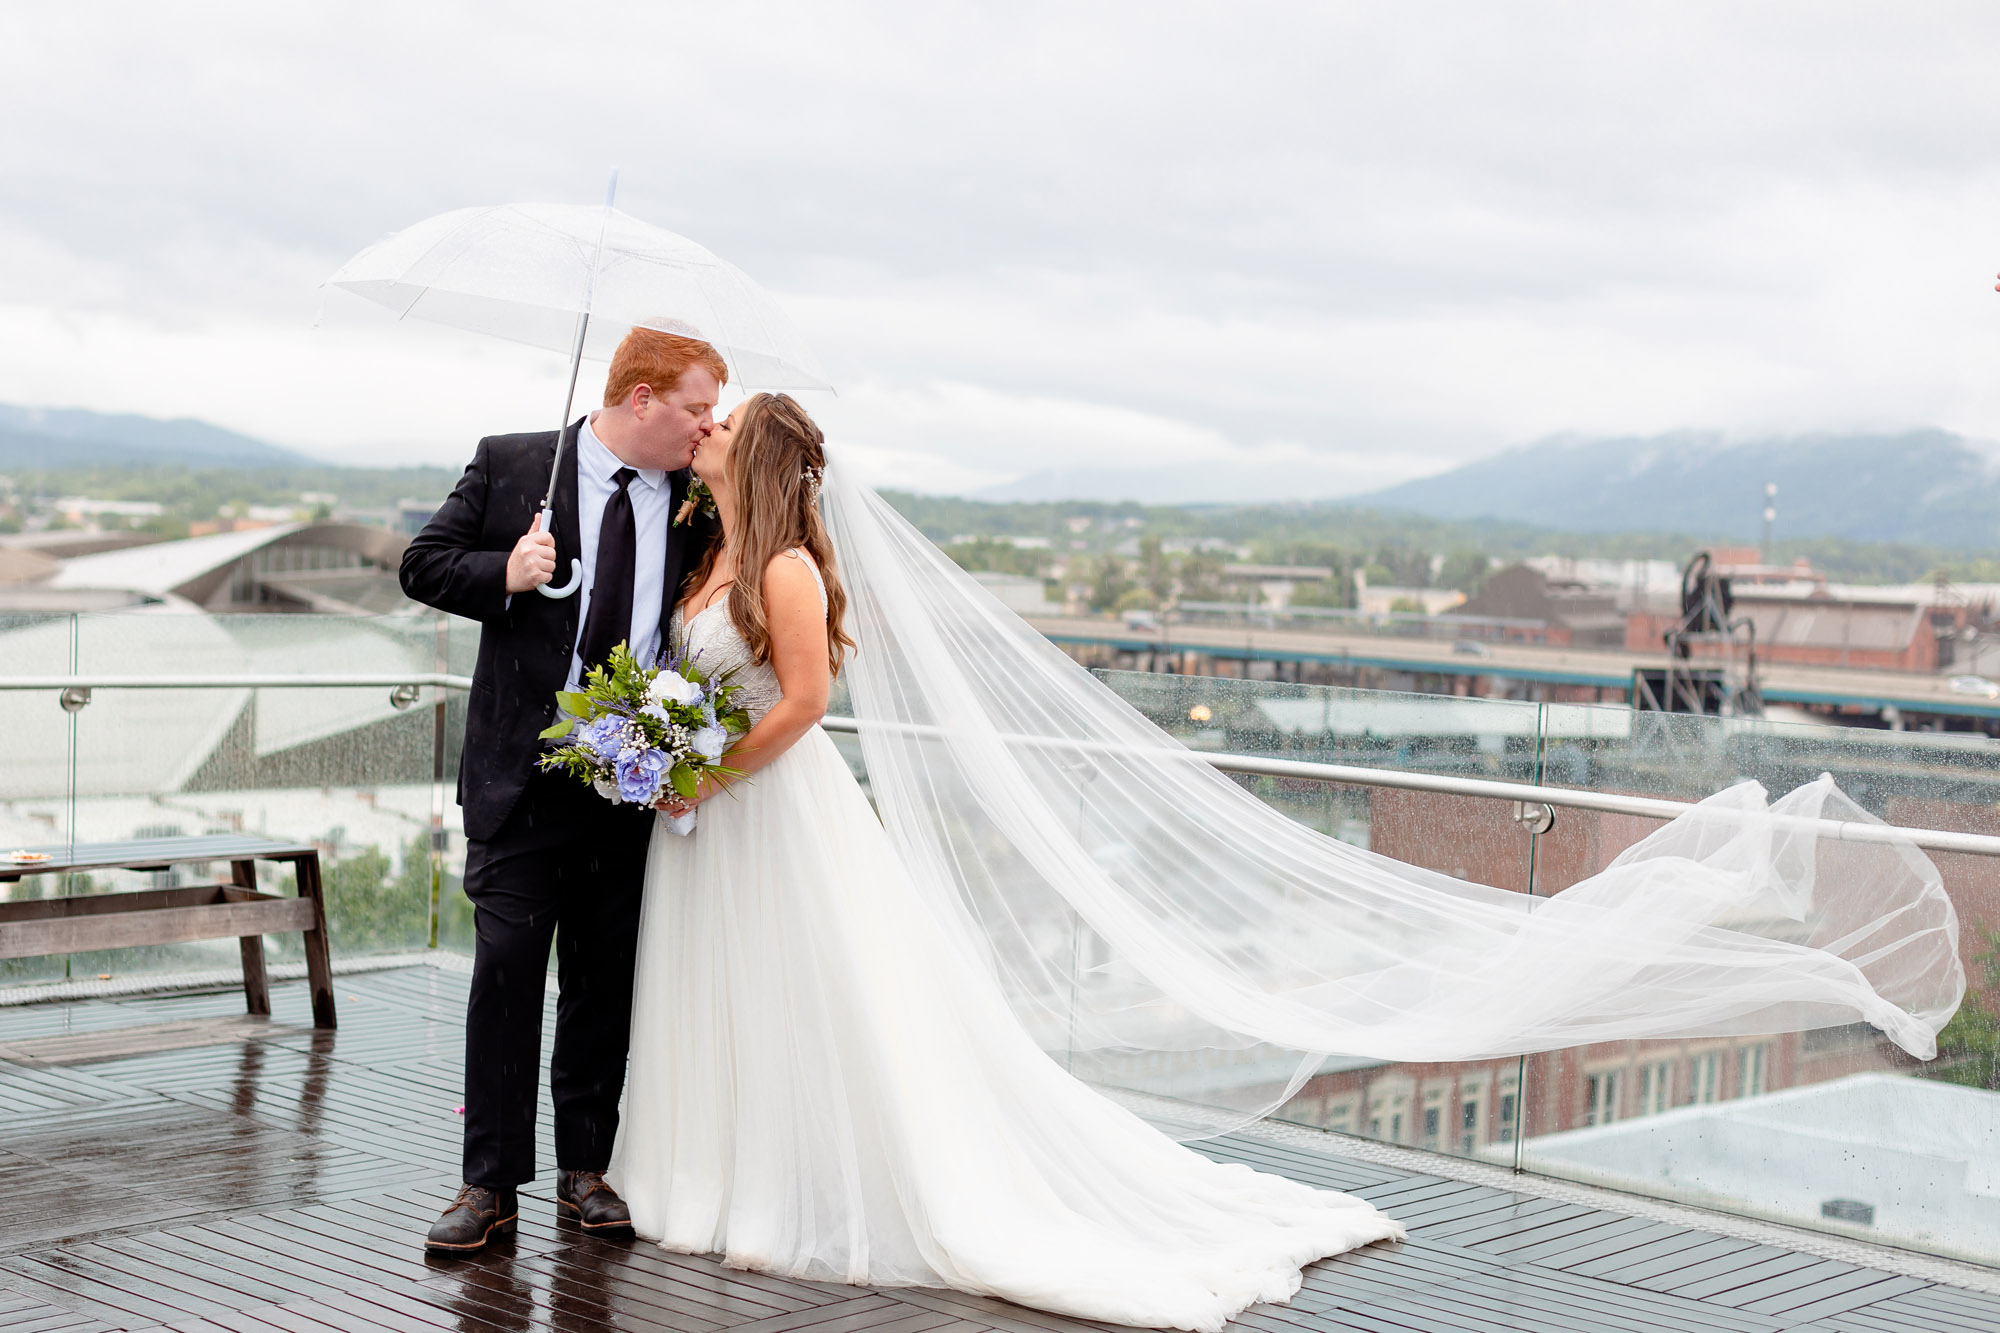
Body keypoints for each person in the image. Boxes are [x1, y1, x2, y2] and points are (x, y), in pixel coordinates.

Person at [606, 392, 1960, 1332]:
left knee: (820, 1001)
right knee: (739, 1000)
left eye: (724, 420)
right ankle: (722, 1176)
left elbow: (798, 707)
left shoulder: (781, 567)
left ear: (766, 455)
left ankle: (795, 1187)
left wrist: (702, 766)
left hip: (764, 811)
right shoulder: (712, 543)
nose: (707, 427)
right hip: (710, 820)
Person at [399, 326, 724, 1252]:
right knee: (505, 975)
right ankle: (487, 1185)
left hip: (629, 779)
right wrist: (503, 573)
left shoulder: (701, 500)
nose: (709, 426)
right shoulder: (514, 464)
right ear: (641, 399)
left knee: (602, 978)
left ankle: (588, 1169)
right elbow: (422, 564)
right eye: (698, 407)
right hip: (517, 779)